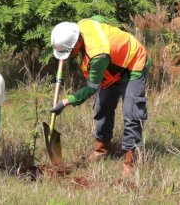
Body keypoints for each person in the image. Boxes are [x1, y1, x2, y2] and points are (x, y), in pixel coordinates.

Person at [49, 16, 150, 175]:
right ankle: (102, 149)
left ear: (78, 42)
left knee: (132, 112)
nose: (68, 56)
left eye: (69, 52)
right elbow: (100, 19)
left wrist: (65, 102)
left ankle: (131, 161)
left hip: (132, 63)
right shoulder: (81, 25)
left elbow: (91, 88)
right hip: (112, 65)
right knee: (102, 107)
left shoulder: (97, 56)